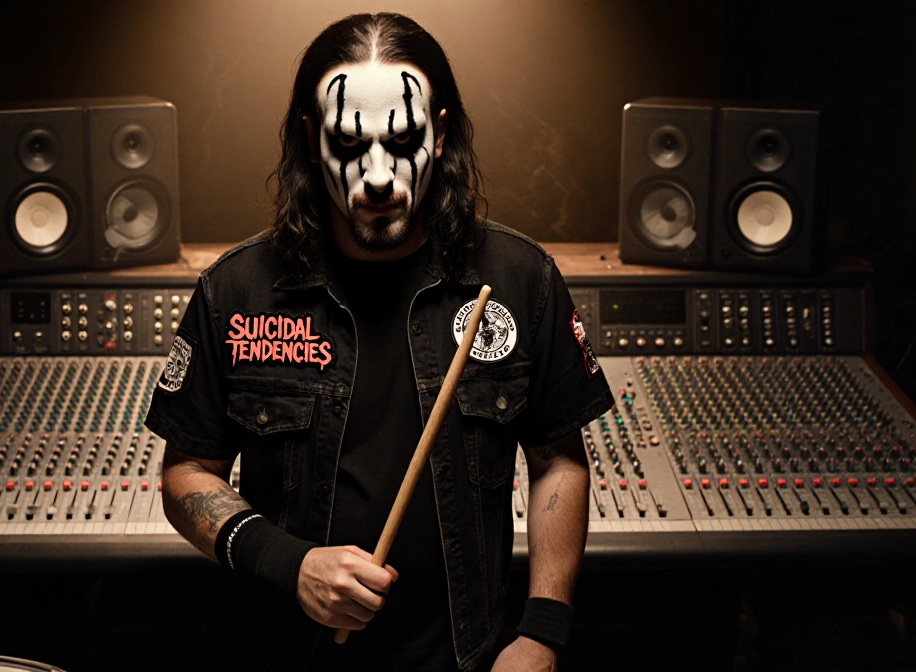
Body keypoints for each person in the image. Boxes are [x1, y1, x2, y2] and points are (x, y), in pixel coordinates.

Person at [144, 12, 613, 671]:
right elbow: (186, 474)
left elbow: (558, 461)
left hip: (466, 655)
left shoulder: (519, 279)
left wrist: (541, 632)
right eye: (348, 143)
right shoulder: (235, 291)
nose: (378, 177)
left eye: (402, 142)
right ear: (311, 142)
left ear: (441, 134)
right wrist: (289, 562)